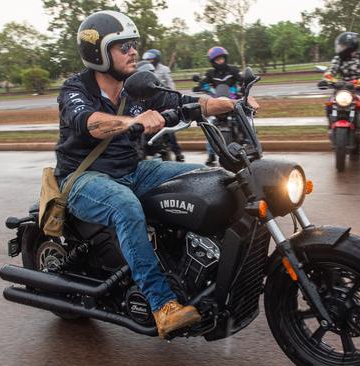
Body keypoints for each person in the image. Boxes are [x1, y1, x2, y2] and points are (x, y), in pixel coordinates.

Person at [58, 10, 236, 338]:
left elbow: (181, 102)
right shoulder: (75, 89)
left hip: (133, 170)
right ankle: (162, 305)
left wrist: (224, 103)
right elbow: (90, 122)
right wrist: (131, 122)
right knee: (126, 206)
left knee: (211, 177)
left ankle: (203, 270)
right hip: (83, 179)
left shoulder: (136, 87)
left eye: (134, 45)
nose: (133, 52)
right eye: (123, 46)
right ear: (98, 52)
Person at [320, 32, 360, 160]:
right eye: (340, 46)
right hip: (342, 90)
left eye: (342, 46)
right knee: (329, 106)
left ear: (350, 46)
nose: (340, 49)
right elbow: (331, 70)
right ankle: (333, 129)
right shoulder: (338, 58)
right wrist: (325, 79)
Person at [202, 46, 244, 166]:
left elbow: (242, 80)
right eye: (217, 59)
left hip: (233, 101)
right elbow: (204, 83)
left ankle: (250, 143)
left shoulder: (233, 70)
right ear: (213, 62)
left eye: (221, 58)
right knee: (209, 125)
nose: (220, 61)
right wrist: (201, 86)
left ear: (225, 58)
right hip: (217, 103)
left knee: (243, 118)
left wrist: (243, 88)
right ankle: (210, 154)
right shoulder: (210, 73)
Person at [140, 50, 184, 162]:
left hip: (162, 100)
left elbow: (170, 83)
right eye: (147, 59)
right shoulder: (142, 69)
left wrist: (172, 95)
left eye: (151, 59)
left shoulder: (164, 69)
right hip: (146, 102)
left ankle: (177, 152)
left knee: (168, 125)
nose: (149, 61)